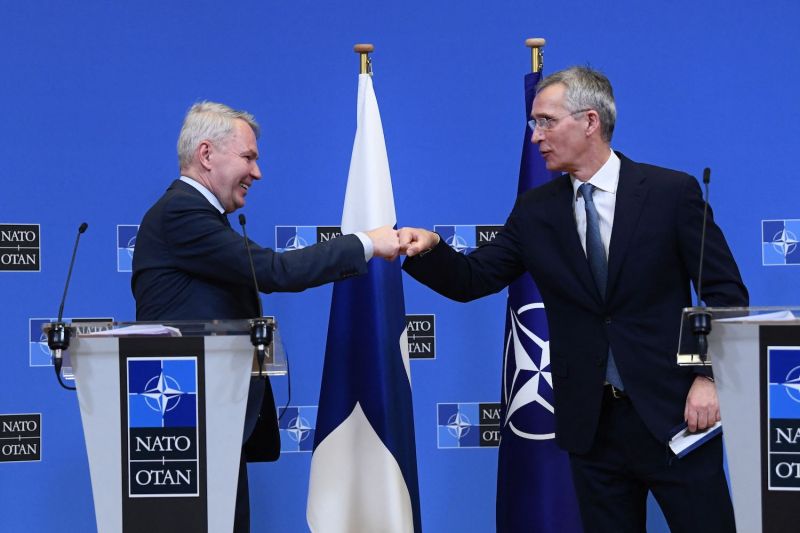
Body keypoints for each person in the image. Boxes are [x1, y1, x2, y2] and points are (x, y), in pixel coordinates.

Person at [399, 67, 747, 532]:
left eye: (546, 122)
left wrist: (708, 378)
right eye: (533, 124)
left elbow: (725, 293)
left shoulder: (670, 194)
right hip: (593, 426)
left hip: (677, 415)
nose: (536, 136)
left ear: (589, 121)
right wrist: (430, 250)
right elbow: (472, 279)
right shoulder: (536, 211)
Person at [131, 101, 399, 533]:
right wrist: (364, 243)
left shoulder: (199, 217)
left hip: (205, 415)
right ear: (206, 154)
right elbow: (275, 271)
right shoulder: (181, 213)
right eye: (249, 157)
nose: (257, 173)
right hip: (183, 417)